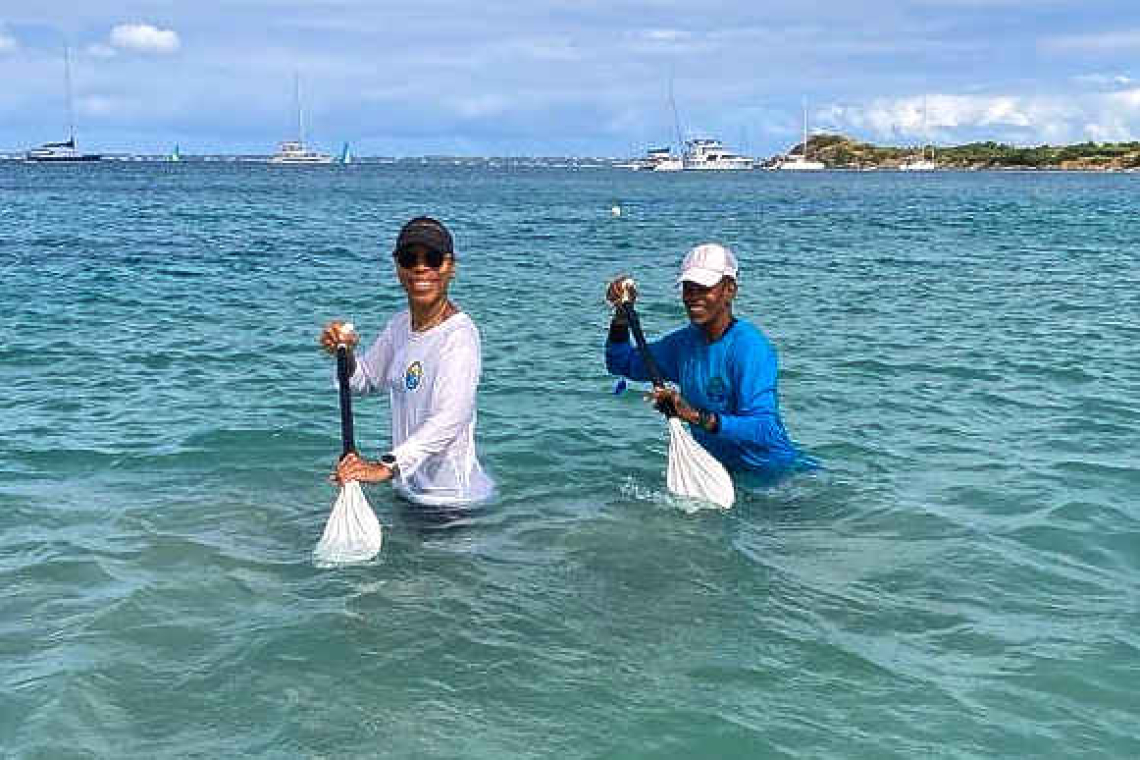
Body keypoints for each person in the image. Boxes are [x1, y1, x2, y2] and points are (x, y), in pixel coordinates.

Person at [319, 216, 494, 506]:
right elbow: (363, 380)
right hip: (408, 491)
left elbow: (450, 419)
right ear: (398, 268)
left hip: (451, 504)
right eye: (409, 258)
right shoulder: (400, 326)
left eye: (433, 259)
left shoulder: (459, 337)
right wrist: (344, 353)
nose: (421, 267)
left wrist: (385, 466)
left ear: (450, 267)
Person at [604, 242, 806, 477]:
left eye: (704, 288)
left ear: (730, 289)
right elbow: (620, 362)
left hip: (779, 478)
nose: (693, 297)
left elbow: (766, 430)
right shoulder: (683, 345)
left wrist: (695, 416)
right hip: (723, 477)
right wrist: (621, 315)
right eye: (688, 289)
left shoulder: (751, 348)